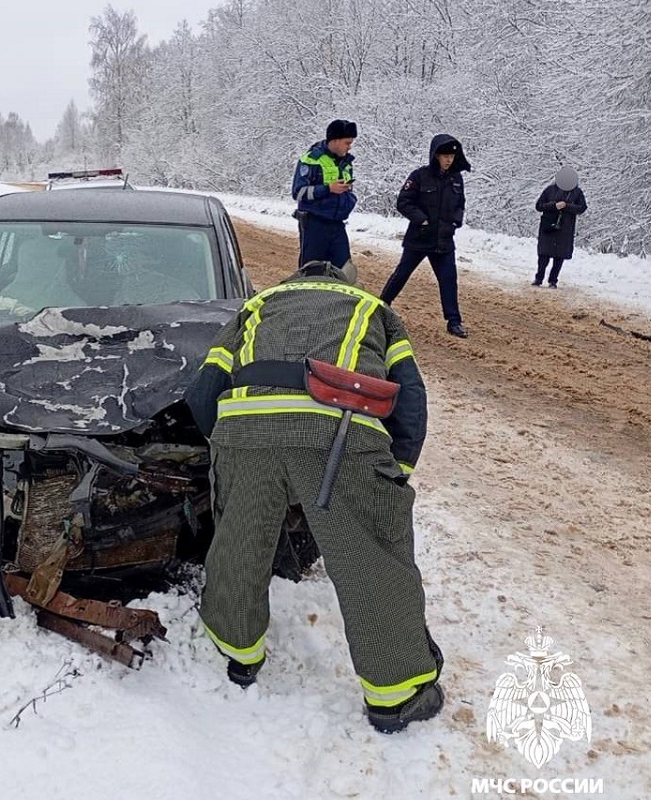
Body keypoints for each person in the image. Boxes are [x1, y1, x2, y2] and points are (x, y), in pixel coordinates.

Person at [183, 259, 445, 734]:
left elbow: (204, 392)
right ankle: (397, 695)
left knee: (239, 541)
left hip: (246, 429)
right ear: (341, 284)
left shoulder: (256, 305)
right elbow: (410, 399)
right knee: (371, 558)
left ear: (292, 283)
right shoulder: (374, 308)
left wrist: (229, 448)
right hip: (339, 431)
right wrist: (391, 475)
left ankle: (236, 652)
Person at [379, 134, 471, 338]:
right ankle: (381, 307)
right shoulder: (419, 176)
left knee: (449, 280)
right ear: (435, 156)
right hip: (419, 238)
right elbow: (403, 202)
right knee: (401, 274)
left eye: (452, 156)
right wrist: (421, 219)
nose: (449, 160)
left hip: (444, 240)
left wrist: (456, 220)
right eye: (445, 156)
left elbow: (460, 203)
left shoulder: (456, 178)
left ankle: (454, 321)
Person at [291, 119, 357, 269]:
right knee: (312, 271)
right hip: (314, 224)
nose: (350, 147)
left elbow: (348, 188)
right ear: (335, 140)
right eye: (347, 143)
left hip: (338, 225)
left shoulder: (346, 162)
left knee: (344, 271)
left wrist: (350, 199)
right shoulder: (311, 160)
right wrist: (328, 189)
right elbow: (298, 192)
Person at [533, 167, 587, 287]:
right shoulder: (549, 190)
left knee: (559, 256)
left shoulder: (577, 193)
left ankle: (553, 280)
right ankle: (539, 278)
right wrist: (554, 206)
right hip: (548, 227)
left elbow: (582, 208)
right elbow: (539, 206)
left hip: (565, 229)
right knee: (543, 255)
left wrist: (567, 206)